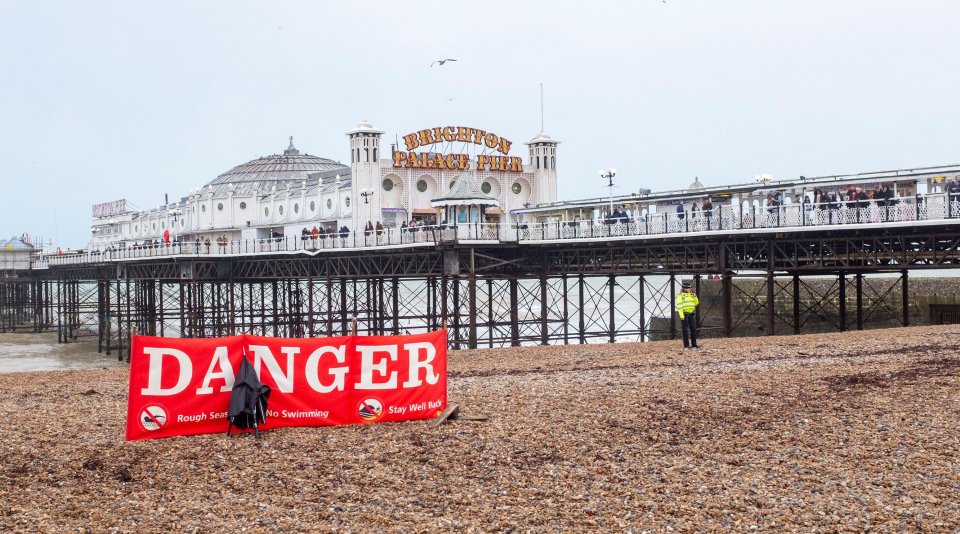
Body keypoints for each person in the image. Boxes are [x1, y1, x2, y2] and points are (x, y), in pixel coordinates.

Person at [675, 280, 699, 349]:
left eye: (690, 288)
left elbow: (696, 303)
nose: (690, 289)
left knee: (693, 329)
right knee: (685, 330)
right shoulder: (680, 296)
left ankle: (694, 344)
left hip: (691, 314)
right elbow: (680, 306)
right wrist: (681, 315)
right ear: (685, 289)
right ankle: (686, 345)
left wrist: (695, 297)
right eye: (689, 288)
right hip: (684, 315)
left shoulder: (692, 295)